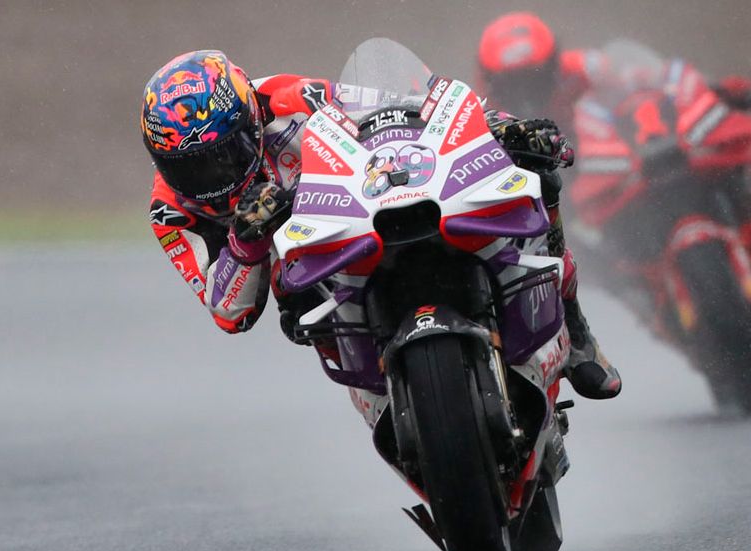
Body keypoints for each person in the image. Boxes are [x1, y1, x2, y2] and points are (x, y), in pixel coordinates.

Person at [140, 49, 621, 399]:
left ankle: (572, 323)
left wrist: (499, 124)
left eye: (224, 155)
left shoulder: (292, 98)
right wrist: (245, 241)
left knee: (536, 177)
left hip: (359, 210)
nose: (213, 178)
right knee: (297, 310)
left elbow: (407, 104)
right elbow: (229, 313)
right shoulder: (170, 211)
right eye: (189, 168)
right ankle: (390, 397)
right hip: (306, 267)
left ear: (250, 117)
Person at [474, 12, 751, 296]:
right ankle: (624, 287)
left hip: (615, 154)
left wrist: (706, 89)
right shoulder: (481, 108)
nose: (526, 92)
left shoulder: (585, 68)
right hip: (558, 178)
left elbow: (645, 78)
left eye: (534, 76)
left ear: (553, 62)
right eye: (512, 82)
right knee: (558, 244)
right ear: (491, 80)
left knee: (737, 171)